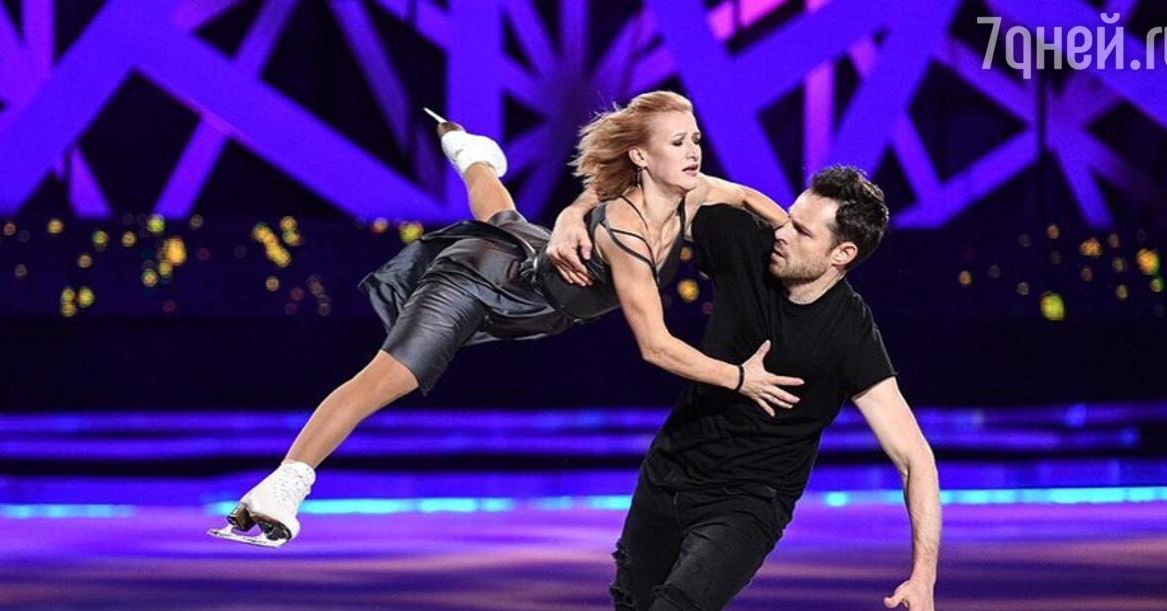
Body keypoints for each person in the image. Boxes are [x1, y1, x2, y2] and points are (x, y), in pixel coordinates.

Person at [524, 166, 942, 611]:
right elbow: (660, 181)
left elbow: (914, 459)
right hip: (670, 473)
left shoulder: (850, 334)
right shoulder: (749, 244)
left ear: (842, 254)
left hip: (748, 505)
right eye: (786, 215)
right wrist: (574, 215)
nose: (781, 230)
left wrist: (923, 576)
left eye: (801, 229)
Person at [208, 91, 801, 548]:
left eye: (695, 138)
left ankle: (471, 154)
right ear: (642, 156)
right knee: (391, 375)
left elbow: (749, 199)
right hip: (479, 283)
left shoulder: (693, 192)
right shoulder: (626, 233)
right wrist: (739, 378)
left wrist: (797, 239)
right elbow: (656, 345)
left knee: (506, 219)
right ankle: (285, 484)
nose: (694, 151)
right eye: (678, 142)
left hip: (537, 276)